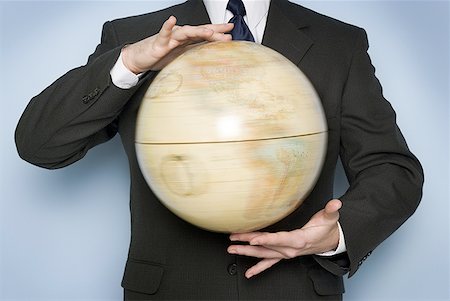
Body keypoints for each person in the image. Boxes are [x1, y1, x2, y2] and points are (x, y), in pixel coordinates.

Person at [15, 0, 424, 299]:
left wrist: (336, 233)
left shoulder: (339, 44)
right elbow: (39, 145)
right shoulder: (132, 37)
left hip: (295, 291)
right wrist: (131, 65)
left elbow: (392, 169)